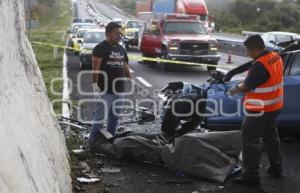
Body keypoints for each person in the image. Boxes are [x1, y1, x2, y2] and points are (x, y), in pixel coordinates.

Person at [227, 35, 284, 185]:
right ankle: (276, 168)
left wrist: (235, 88)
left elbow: (246, 86)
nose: (248, 54)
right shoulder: (275, 56)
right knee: (271, 136)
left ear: (254, 48)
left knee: (249, 140)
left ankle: (251, 176)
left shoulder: (260, 65)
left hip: (259, 109)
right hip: (274, 106)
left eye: (248, 50)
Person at [88, 22, 132, 146]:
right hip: (105, 90)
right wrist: (94, 84)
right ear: (108, 34)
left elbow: (124, 65)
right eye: (117, 33)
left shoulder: (121, 48)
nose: (119, 36)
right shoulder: (100, 48)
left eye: (120, 33)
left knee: (114, 117)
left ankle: (110, 141)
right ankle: (92, 143)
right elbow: (95, 68)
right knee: (100, 118)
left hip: (119, 90)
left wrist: (130, 78)